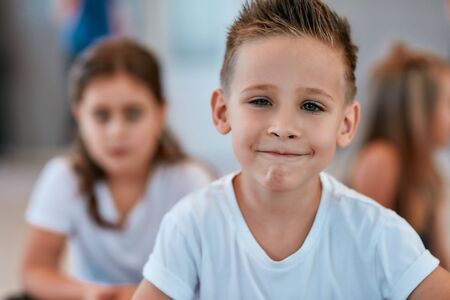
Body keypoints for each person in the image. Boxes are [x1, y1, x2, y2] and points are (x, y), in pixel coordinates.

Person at [132, 0, 450, 299]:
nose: (283, 127)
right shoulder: (192, 224)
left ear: (346, 124)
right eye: (260, 101)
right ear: (222, 111)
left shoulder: (378, 233)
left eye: (311, 105)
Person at [20, 37, 214, 300]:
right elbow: (34, 271)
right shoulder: (64, 177)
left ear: (160, 114)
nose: (117, 131)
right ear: (79, 116)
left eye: (133, 114)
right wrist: (89, 292)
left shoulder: (189, 181)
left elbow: (213, 280)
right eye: (101, 115)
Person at [349, 44, 450, 270]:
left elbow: (440, 258)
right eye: (448, 103)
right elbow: (368, 257)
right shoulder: (382, 159)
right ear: (420, 110)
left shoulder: (429, 170)